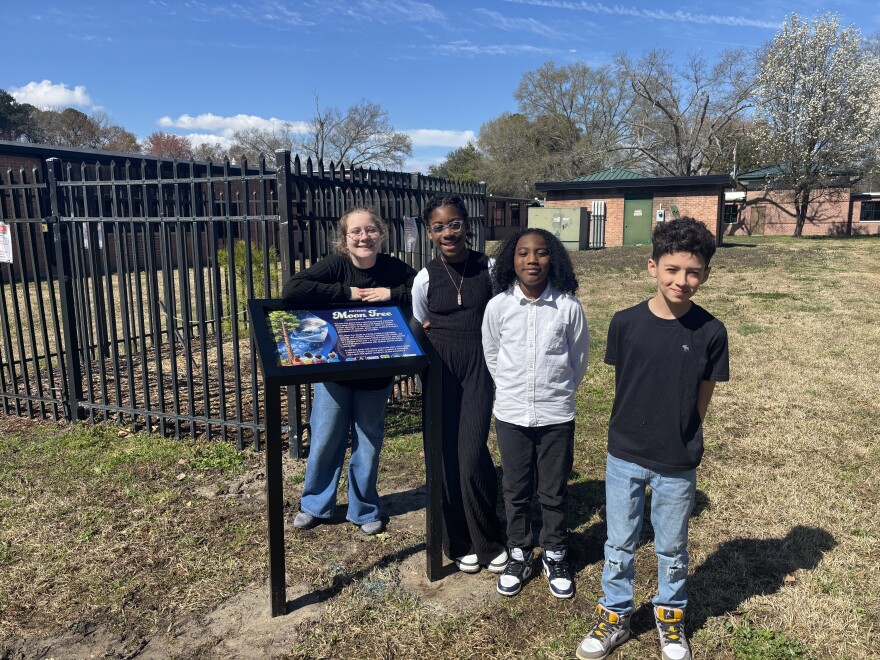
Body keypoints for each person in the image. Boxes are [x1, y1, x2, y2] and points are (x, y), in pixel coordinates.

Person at [577, 217, 729, 660]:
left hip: (677, 458)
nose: (682, 280)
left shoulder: (711, 331)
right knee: (619, 541)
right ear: (652, 267)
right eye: (672, 269)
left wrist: (683, 433)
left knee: (671, 545)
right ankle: (615, 615)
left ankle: (671, 617)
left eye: (693, 272)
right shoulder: (625, 323)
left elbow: (703, 395)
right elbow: (629, 381)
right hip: (624, 452)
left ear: (706, 274)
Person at [282, 207, 417, 536]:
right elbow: (293, 289)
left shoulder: (394, 269)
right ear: (344, 239)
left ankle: (365, 508)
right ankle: (315, 504)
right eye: (355, 232)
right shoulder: (336, 266)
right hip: (335, 374)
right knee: (325, 439)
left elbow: (428, 290)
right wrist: (348, 293)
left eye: (370, 230)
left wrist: (392, 293)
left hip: (376, 374)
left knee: (368, 442)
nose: (363, 237)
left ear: (380, 234)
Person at [482, 228, 589, 599]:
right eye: (523, 253)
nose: (532, 260)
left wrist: (552, 395)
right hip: (511, 412)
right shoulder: (498, 307)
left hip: (556, 413)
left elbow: (578, 361)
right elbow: (493, 355)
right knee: (515, 487)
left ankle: (556, 552)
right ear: (511, 259)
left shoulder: (568, 308)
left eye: (541, 253)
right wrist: (516, 391)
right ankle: (520, 551)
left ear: (553, 259)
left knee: (554, 488)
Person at [412, 195, 508, 574]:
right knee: (442, 453)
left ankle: (488, 538)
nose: (447, 232)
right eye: (438, 227)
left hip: (478, 365)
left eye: (454, 224)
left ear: (466, 225)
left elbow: (505, 313)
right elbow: (420, 322)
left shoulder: (490, 267)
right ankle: (458, 541)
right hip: (441, 370)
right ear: (430, 233)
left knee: (470, 454)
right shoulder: (425, 277)